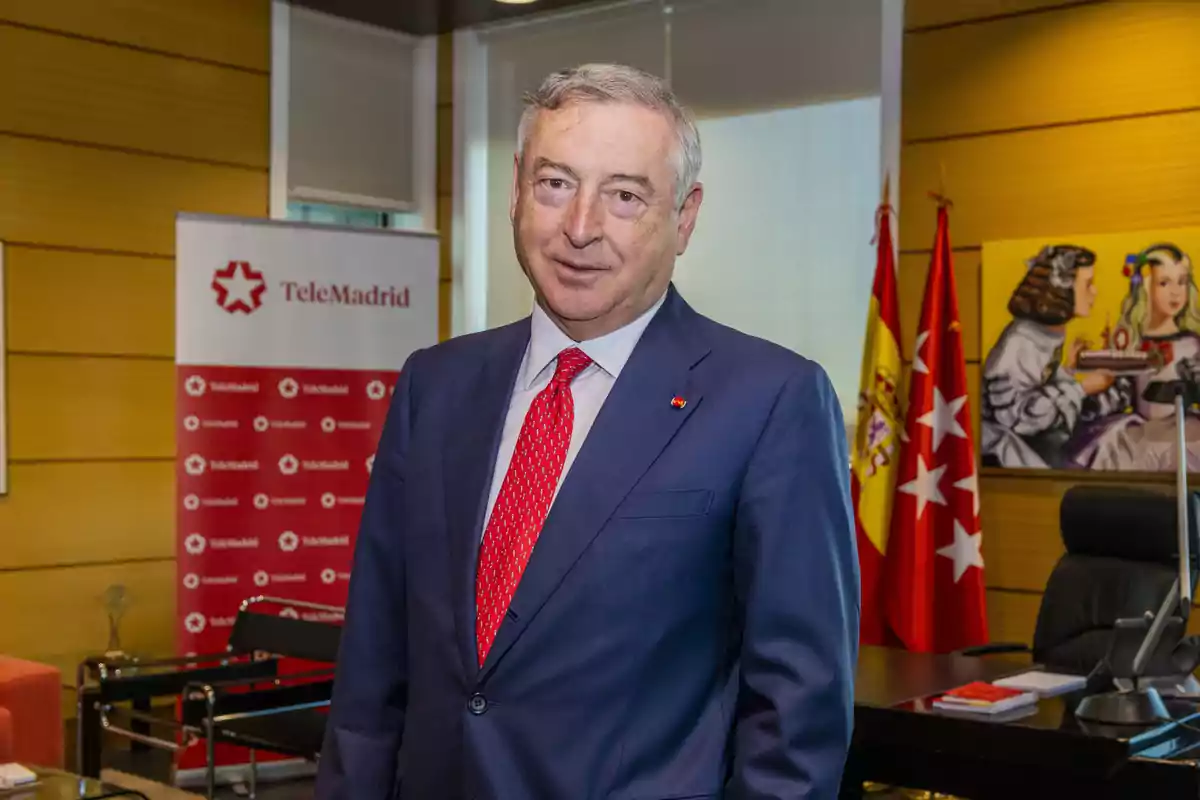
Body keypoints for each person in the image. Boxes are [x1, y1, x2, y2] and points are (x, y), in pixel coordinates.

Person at [315, 63, 859, 800]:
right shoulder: (434, 386)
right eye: (555, 184)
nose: (580, 228)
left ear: (685, 217)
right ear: (516, 190)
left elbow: (798, 713)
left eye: (625, 195)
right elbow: (374, 667)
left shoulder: (770, 402)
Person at [979, 244, 1118, 468]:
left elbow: (1038, 385)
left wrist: (1067, 370)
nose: (1094, 292)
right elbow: (1016, 419)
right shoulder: (1020, 342)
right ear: (1062, 287)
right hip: (1004, 447)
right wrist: (1082, 388)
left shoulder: (1050, 330)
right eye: (1088, 284)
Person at [1072, 244, 1200, 470]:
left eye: (1182, 281)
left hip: (1182, 429)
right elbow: (1120, 393)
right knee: (1116, 448)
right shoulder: (1132, 343)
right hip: (1141, 431)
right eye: (1164, 283)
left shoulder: (1191, 343)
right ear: (1145, 288)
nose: (1176, 291)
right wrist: (1090, 398)